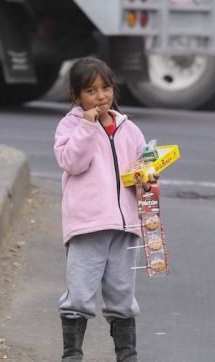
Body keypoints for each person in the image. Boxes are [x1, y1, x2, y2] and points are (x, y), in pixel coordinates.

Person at [53, 57, 157, 362]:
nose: (100, 96)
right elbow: (73, 162)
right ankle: (72, 355)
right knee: (79, 295)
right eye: (90, 90)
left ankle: (128, 356)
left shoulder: (130, 129)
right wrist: (87, 126)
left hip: (124, 229)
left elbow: (140, 170)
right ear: (75, 95)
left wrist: (148, 175)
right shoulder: (70, 126)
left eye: (106, 88)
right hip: (87, 226)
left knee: (122, 297)